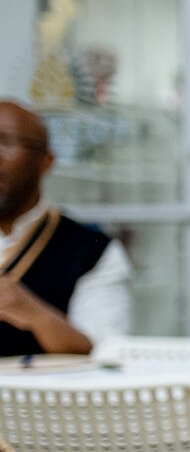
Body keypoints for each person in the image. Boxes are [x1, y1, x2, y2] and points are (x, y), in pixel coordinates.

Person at [0, 99, 131, 356]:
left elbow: (107, 355)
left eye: (5, 142)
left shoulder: (92, 251)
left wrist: (33, 313)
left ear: (46, 160)